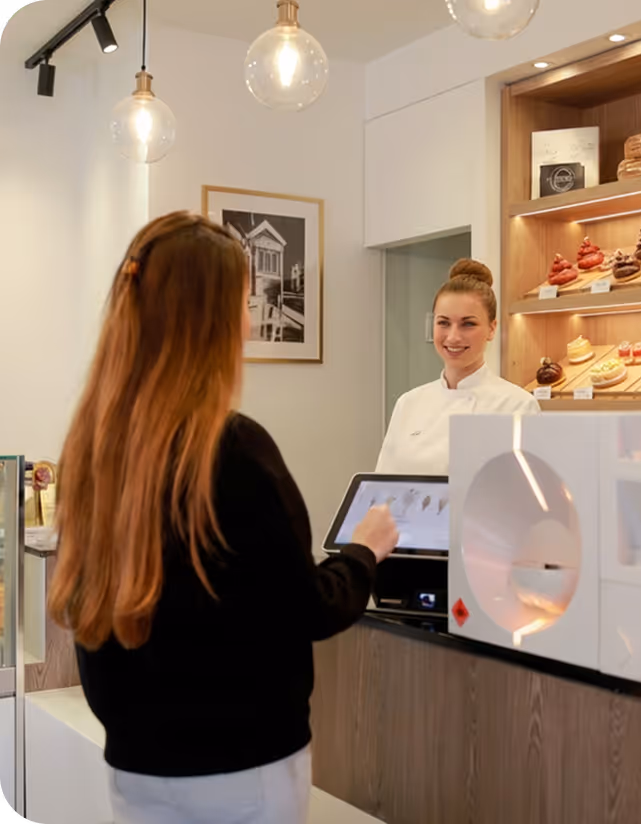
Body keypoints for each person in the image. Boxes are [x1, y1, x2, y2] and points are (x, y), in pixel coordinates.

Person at [47, 212, 399, 824]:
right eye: (243, 301)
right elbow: (306, 609)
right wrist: (363, 553)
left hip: (136, 768)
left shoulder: (95, 444)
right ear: (208, 320)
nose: (251, 318)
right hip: (241, 773)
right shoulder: (233, 449)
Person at [376, 258, 540, 475]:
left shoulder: (518, 406)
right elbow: (382, 487)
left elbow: (525, 496)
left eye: (468, 324)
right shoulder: (408, 403)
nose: (453, 337)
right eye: (443, 323)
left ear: (492, 329)